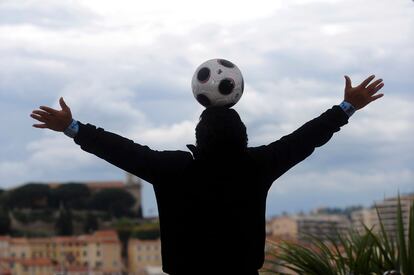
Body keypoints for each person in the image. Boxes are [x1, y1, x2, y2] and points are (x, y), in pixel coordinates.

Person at [30, 75, 384, 275]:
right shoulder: (258, 165)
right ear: (243, 136)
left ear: (198, 138)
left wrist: (72, 127)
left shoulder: (173, 169)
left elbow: (119, 148)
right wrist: (347, 106)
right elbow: (306, 138)